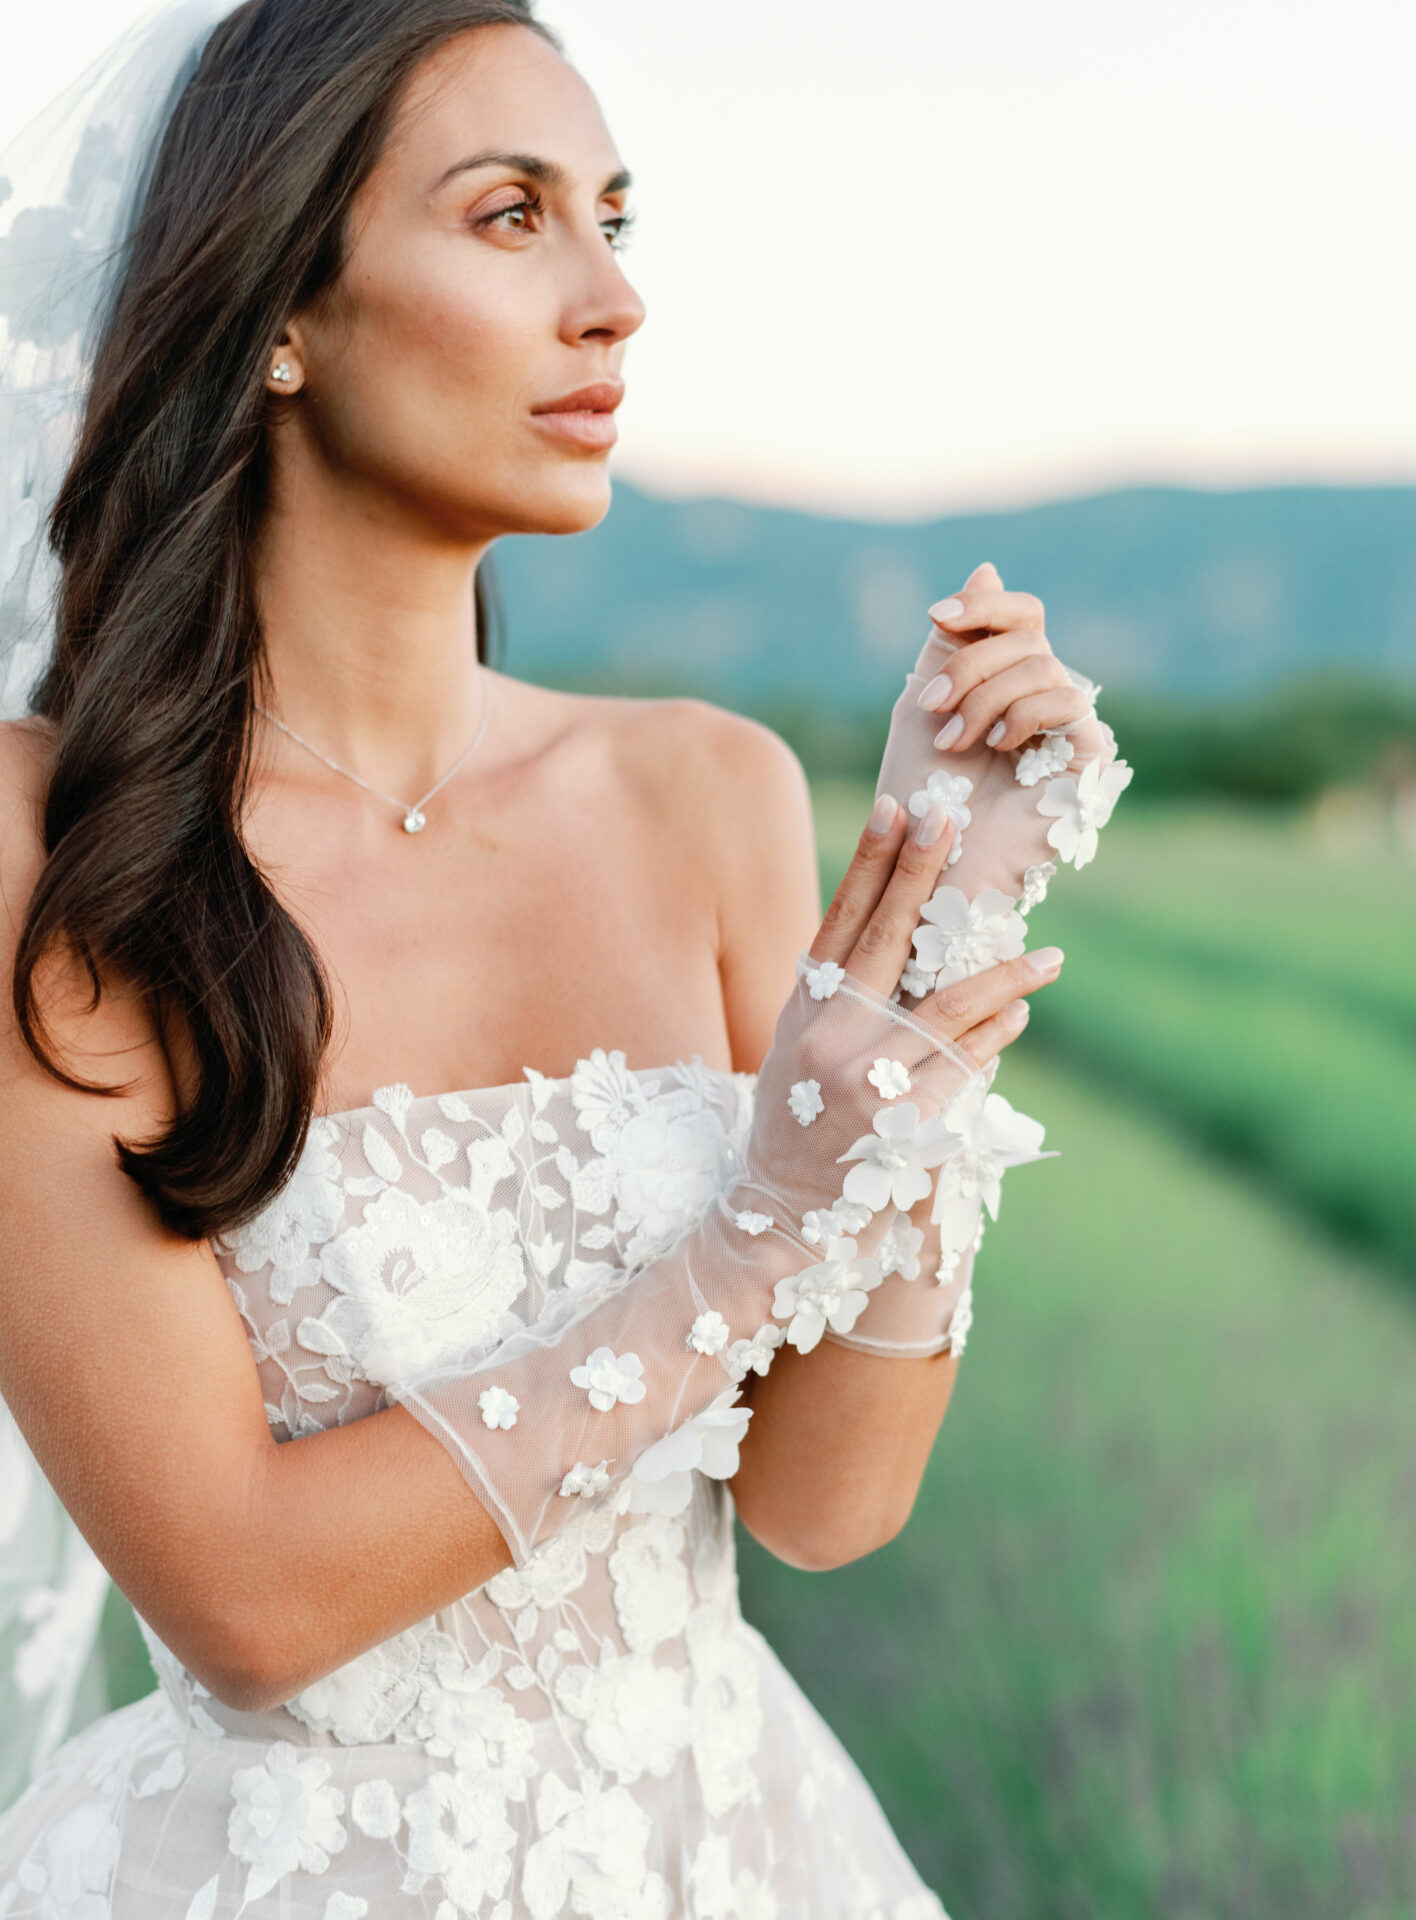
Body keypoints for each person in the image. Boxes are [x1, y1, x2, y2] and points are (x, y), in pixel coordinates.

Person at [0, 2, 1131, 1913]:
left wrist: (952, 934)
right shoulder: (54, 840)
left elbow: (822, 1505)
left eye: (617, 217)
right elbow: (248, 1601)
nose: (613, 300)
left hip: (720, 1840)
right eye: (512, 218)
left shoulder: (709, 794)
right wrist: (752, 1238)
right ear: (279, 307)